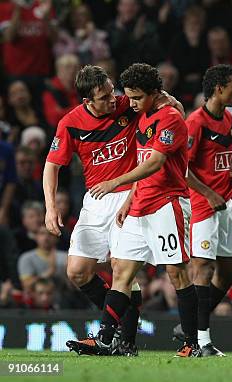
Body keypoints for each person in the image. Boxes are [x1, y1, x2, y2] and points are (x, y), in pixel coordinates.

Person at [64, 63, 199, 357]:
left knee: (176, 273)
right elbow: (142, 164)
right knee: (122, 271)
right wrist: (129, 200)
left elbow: (153, 163)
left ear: (153, 93)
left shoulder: (171, 118)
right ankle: (105, 338)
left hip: (168, 202)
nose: (130, 103)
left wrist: (116, 183)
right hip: (140, 203)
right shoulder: (143, 115)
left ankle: (192, 342)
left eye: (136, 98)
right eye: (129, 97)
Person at [44, 65, 148, 356]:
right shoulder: (70, 123)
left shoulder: (127, 104)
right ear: (87, 101)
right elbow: (52, 166)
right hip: (96, 200)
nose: (112, 100)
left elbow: (163, 102)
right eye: (103, 97)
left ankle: (116, 340)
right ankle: (124, 326)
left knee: (120, 267)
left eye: (112, 91)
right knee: (77, 272)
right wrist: (51, 208)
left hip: (130, 194)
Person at [184, 64, 232, 356]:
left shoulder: (229, 118)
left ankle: (190, 325)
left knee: (229, 272)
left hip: (224, 203)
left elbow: (221, 155)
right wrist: (208, 193)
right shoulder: (195, 123)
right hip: (202, 204)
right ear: (218, 88)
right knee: (203, 268)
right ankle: (201, 341)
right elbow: (180, 169)